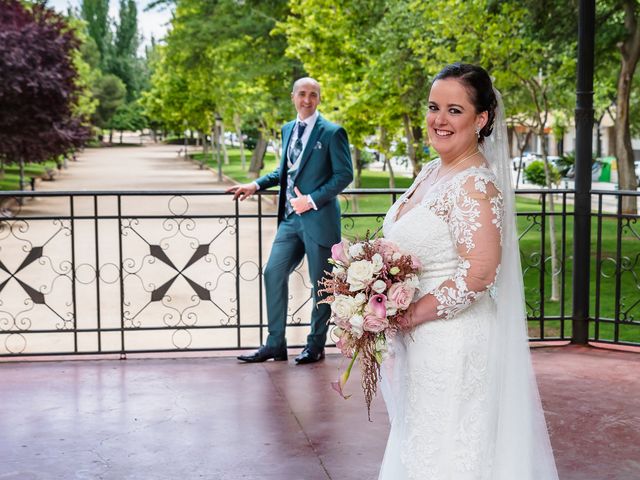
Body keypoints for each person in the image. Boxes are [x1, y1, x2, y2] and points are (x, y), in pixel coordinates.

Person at [378, 63, 558, 479]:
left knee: (452, 455)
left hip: (455, 346)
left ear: (481, 119)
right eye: (433, 106)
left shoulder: (475, 185)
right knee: (422, 447)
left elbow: (479, 273)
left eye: (454, 110)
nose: (439, 120)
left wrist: (408, 314)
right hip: (422, 342)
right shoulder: (433, 171)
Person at [228, 77, 353, 365]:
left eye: (313, 95)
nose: (307, 100)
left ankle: (315, 345)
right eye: (302, 94)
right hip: (289, 220)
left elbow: (344, 175)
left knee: (320, 285)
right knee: (273, 272)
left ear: (319, 98)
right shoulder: (287, 130)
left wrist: (310, 200)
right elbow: (284, 171)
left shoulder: (332, 133)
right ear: (293, 96)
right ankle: (275, 344)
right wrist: (255, 185)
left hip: (318, 218)